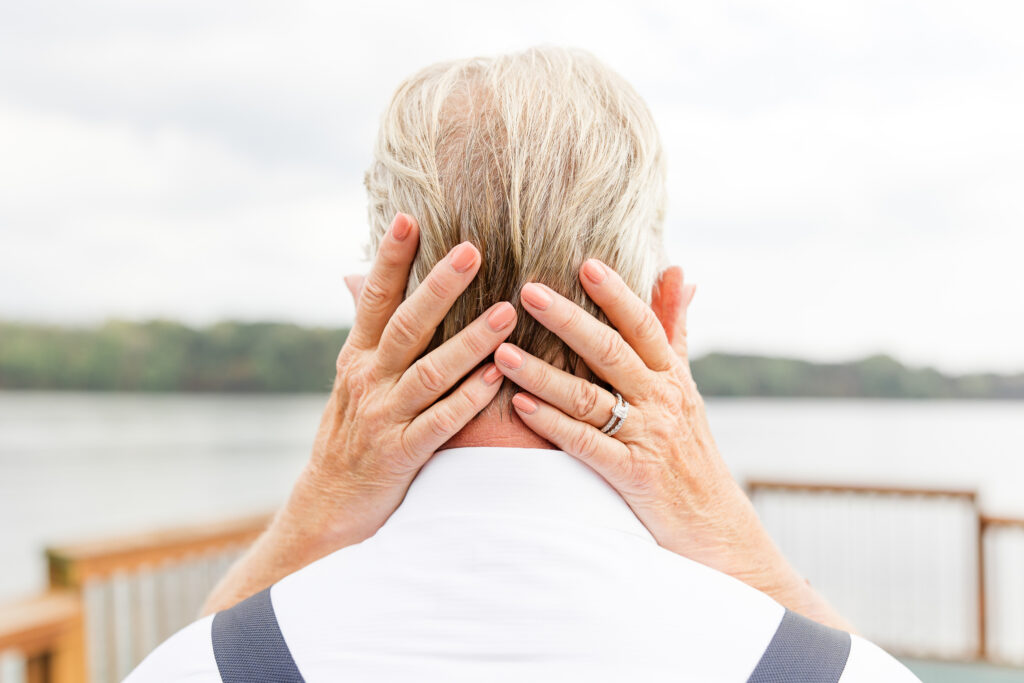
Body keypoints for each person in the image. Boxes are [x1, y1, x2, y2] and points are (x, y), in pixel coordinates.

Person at [126, 47, 919, 682]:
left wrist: (315, 508)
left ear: (371, 305)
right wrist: (735, 536)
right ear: (664, 311)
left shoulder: (211, 663)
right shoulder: (817, 665)